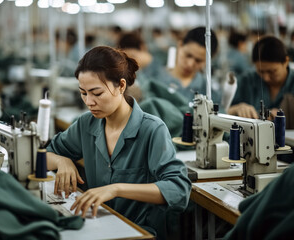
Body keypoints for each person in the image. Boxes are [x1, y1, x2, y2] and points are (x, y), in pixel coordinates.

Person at [46, 46, 192, 239]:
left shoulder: (152, 129)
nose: (89, 101)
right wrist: (62, 161)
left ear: (121, 86)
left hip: (140, 231)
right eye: (83, 93)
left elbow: (179, 189)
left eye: (96, 93)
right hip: (99, 225)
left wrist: (116, 189)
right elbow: (41, 156)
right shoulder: (86, 124)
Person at [228, 36, 294, 119]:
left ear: (286, 62)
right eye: (261, 71)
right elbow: (222, 111)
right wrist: (236, 109)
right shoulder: (246, 81)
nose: (266, 78)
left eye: (272, 71)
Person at [161, 26, 222, 105]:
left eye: (198, 60)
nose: (190, 64)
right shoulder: (155, 78)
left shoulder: (209, 92)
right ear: (180, 45)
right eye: (188, 55)